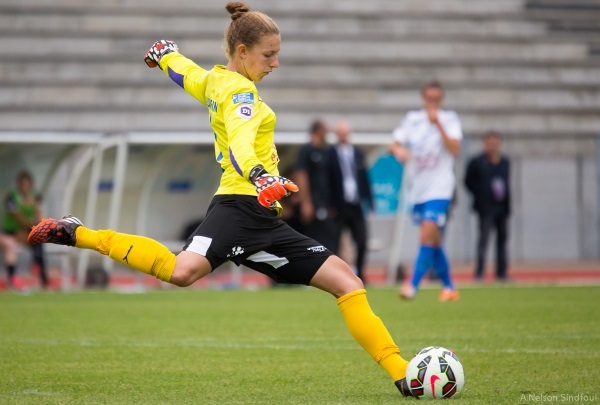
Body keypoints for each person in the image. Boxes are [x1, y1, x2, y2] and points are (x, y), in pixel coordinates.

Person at [28, 2, 415, 397]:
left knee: (347, 282)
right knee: (181, 273)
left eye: (277, 54)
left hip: (263, 219)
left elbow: (186, 73)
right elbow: (241, 146)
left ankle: (405, 374)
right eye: (269, 55)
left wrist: (165, 54)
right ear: (242, 51)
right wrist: (261, 175)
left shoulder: (215, 81)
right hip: (240, 207)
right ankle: (81, 234)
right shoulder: (242, 93)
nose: (276, 63)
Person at [389, 79, 462, 302]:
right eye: (429, 99)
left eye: (436, 100)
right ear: (423, 98)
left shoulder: (449, 119)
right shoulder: (413, 119)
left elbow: (455, 149)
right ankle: (449, 287)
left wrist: (438, 124)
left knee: (426, 234)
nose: (432, 103)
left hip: (440, 188)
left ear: (441, 100)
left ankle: (412, 285)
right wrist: (398, 151)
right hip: (419, 189)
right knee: (434, 240)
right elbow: (394, 143)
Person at [329, 120, 373, 283]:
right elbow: (328, 181)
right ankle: (336, 276)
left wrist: (369, 199)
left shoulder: (357, 153)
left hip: (355, 204)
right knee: (334, 243)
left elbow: (364, 178)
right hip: (338, 206)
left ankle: (360, 273)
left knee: (361, 241)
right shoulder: (330, 153)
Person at [464, 130, 510, 281]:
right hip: (485, 208)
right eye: (490, 144)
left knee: (502, 241)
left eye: (495, 144)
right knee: (484, 240)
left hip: (501, 207)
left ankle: (501, 273)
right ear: (485, 144)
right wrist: (479, 195)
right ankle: (479, 273)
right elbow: (468, 182)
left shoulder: (505, 162)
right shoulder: (477, 162)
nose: (493, 147)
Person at [295, 119, 338, 252]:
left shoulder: (326, 151)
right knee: (314, 241)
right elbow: (301, 175)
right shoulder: (306, 150)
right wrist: (306, 202)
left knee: (330, 241)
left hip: (325, 203)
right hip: (313, 203)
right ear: (319, 131)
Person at [1, 171, 48, 289]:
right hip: (11, 232)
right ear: (18, 184)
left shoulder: (36, 197)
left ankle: (41, 275)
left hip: (26, 231)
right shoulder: (11, 198)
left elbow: (38, 215)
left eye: (26, 183)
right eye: (22, 183)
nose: (24, 186)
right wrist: (29, 226)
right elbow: (17, 217)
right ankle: (12, 278)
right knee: (11, 246)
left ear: (31, 184)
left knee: (38, 240)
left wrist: (33, 227)